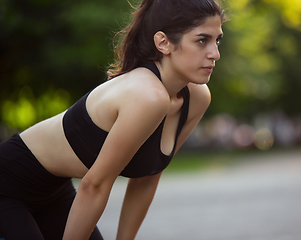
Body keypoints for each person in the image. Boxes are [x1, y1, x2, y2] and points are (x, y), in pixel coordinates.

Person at [0, 0, 225, 239]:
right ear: (163, 43)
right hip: (7, 185)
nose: (215, 54)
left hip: (55, 191)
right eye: (202, 40)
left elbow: (147, 180)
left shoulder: (197, 97)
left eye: (217, 40)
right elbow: (94, 185)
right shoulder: (147, 95)